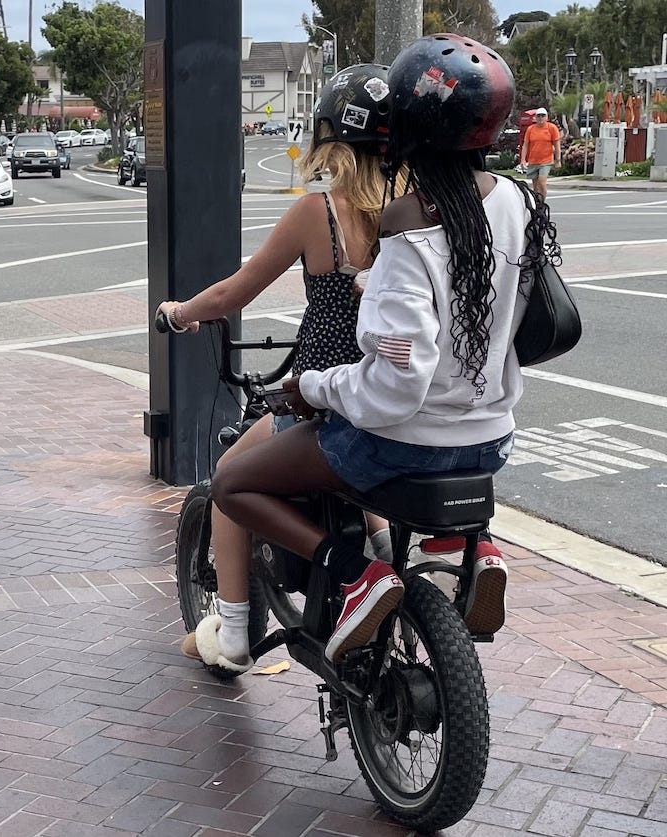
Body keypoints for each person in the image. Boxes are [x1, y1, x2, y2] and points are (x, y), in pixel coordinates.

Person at [205, 34, 553, 667]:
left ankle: (354, 575)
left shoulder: (407, 229)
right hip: (489, 439)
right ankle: (462, 546)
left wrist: (311, 387)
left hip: (401, 440)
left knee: (231, 481)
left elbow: (394, 390)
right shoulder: (520, 204)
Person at [156, 64, 400, 672]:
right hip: (396, 396)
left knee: (228, 478)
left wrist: (180, 313)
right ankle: (390, 568)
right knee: (366, 478)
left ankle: (236, 634)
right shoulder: (412, 209)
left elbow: (234, 293)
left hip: (321, 396)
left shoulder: (318, 214)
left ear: (328, 140)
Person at [520, 106, 561, 199]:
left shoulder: (552, 128)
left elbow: (557, 144)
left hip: (546, 161)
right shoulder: (530, 129)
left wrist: (558, 160)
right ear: (535, 117)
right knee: (535, 186)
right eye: (538, 116)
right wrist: (523, 160)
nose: (541, 118)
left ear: (547, 117)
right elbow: (525, 145)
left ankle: (542, 203)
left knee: (542, 182)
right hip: (533, 160)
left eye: (543, 116)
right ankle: (537, 202)